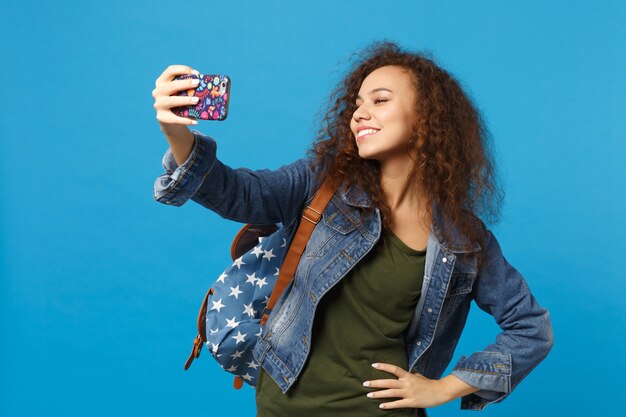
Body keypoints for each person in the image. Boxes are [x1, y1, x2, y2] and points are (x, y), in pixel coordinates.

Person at [151, 41, 554, 416]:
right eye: (358, 103)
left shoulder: (463, 240)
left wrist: (446, 387)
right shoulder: (321, 184)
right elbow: (238, 193)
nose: (360, 113)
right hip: (284, 406)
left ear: (428, 119)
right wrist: (178, 134)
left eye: (380, 101)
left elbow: (531, 328)